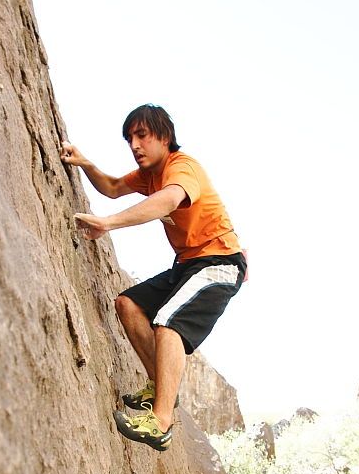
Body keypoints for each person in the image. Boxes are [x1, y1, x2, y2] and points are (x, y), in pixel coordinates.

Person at [60, 104, 246, 452]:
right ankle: (159, 387)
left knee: (168, 324)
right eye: (130, 138)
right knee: (127, 304)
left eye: (142, 135)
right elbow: (113, 186)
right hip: (187, 265)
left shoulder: (182, 168)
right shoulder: (148, 176)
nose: (134, 145)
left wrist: (108, 223)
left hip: (219, 262)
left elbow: (169, 200)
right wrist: (86, 164)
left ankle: (161, 422)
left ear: (164, 137)